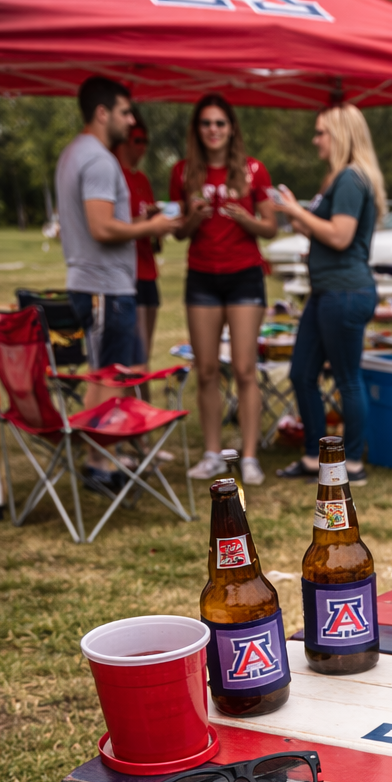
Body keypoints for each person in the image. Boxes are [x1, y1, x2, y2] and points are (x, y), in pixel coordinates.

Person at [55, 76, 178, 495]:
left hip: (94, 283)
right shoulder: (99, 160)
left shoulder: (73, 153)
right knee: (107, 377)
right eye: (125, 112)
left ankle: (104, 457)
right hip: (104, 287)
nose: (130, 120)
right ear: (102, 112)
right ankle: (99, 464)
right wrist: (154, 225)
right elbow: (101, 226)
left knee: (108, 372)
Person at [272, 104, 386, 486]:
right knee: (301, 373)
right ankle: (314, 459)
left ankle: (351, 464)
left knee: (346, 378)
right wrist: (299, 216)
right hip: (326, 291)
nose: (315, 139)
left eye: (321, 132)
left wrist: (295, 212)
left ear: (340, 134)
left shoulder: (352, 179)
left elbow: (339, 235)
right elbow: (324, 232)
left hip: (346, 292)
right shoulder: (337, 178)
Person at [170, 94, 277, 487]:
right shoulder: (183, 172)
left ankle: (249, 456)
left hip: (245, 276)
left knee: (246, 370)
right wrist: (193, 219)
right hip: (201, 278)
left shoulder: (253, 171)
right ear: (197, 130)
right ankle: (213, 454)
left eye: (220, 123)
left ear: (231, 128)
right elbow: (179, 232)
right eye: (206, 123)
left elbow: (270, 227)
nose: (213, 130)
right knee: (207, 370)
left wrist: (247, 219)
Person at [114, 111, 160, 367]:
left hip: (148, 270)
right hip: (127, 274)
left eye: (146, 141)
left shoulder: (141, 179)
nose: (143, 147)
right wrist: (150, 222)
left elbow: (149, 230)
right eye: (138, 140)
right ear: (124, 140)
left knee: (144, 356)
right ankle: (140, 406)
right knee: (135, 359)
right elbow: (109, 226)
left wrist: (158, 227)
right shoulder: (113, 174)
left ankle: (142, 404)